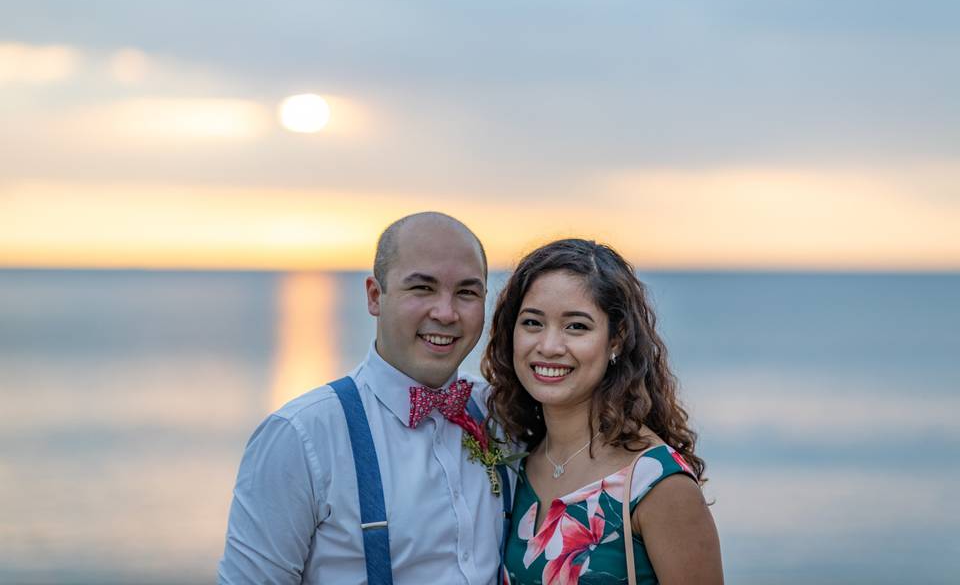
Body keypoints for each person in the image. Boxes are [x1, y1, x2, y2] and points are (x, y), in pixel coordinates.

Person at [219, 211, 512, 585]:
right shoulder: (301, 436)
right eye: (422, 288)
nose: (445, 312)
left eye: (467, 293)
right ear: (375, 296)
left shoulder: (503, 414)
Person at [484, 239, 723, 585]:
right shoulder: (515, 462)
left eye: (576, 326)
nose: (549, 346)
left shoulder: (657, 483)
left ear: (616, 338)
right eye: (533, 323)